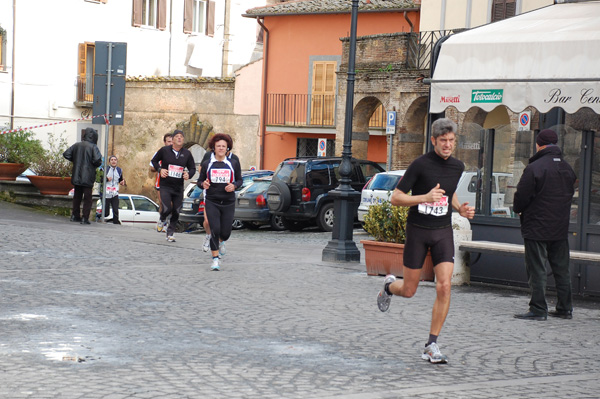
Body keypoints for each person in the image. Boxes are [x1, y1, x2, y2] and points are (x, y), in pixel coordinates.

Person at [376, 118, 475, 364]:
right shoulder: (419, 165)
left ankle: (431, 344)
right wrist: (424, 197)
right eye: (443, 141)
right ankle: (389, 286)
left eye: (452, 141)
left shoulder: (457, 166)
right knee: (409, 290)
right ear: (433, 141)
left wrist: (459, 209)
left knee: (444, 286)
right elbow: (396, 198)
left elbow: (449, 191)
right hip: (418, 231)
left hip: (442, 232)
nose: (448, 145)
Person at [513, 129, 577, 321]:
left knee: (537, 268)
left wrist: (518, 209)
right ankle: (565, 308)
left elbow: (521, 197)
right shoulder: (567, 168)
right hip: (559, 227)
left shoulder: (534, 168)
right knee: (561, 269)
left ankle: (538, 309)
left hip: (536, 227)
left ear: (539, 145)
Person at [198, 133, 242, 271]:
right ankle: (215, 260)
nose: (221, 148)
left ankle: (222, 242)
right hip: (212, 200)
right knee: (214, 229)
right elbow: (200, 181)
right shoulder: (207, 163)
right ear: (214, 148)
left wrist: (234, 186)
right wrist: (203, 184)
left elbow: (240, 180)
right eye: (218, 146)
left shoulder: (233, 162)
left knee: (226, 232)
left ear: (227, 148)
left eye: (224, 146)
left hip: (228, 201)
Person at [150, 130, 196, 242]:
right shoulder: (164, 150)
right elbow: (154, 161)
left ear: (183, 140)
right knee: (166, 208)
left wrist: (188, 174)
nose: (179, 138)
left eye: (181, 137)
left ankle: (170, 233)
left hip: (178, 187)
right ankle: (162, 219)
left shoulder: (187, 153)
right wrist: (160, 170)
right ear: (173, 139)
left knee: (176, 210)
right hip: (165, 186)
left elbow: (193, 168)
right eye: (177, 136)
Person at [63, 127, 103, 225]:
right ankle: (85, 218)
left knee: (77, 196)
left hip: (77, 175)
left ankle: (74, 215)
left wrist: (76, 160)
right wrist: (93, 164)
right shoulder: (93, 147)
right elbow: (98, 160)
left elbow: (66, 154)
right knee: (88, 198)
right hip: (88, 176)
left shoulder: (77, 145)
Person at [150, 133, 174, 230]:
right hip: (161, 181)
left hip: (173, 182)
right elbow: (151, 167)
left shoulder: (178, 153)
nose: (171, 143)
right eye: (169, 141)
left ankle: (168, 222)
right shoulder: (160, 153)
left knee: (172, 204)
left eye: (172, 141)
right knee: (163, 203)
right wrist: (160, 169)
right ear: (165, 142)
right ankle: (163, 222)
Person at [104, 155, 126, 224]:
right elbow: (99, 180)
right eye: (112, 160)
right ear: (109, 162)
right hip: (106, 193)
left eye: (115, 160)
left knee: (116, 210)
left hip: (115, 193)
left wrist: (122, 182)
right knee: (106, 212)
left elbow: (120, 179)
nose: (113, 161)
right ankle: (101, 219)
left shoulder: (119, 170)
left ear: (117, 161)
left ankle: (116, 223)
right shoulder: (105, 169)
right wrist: (106, 179)